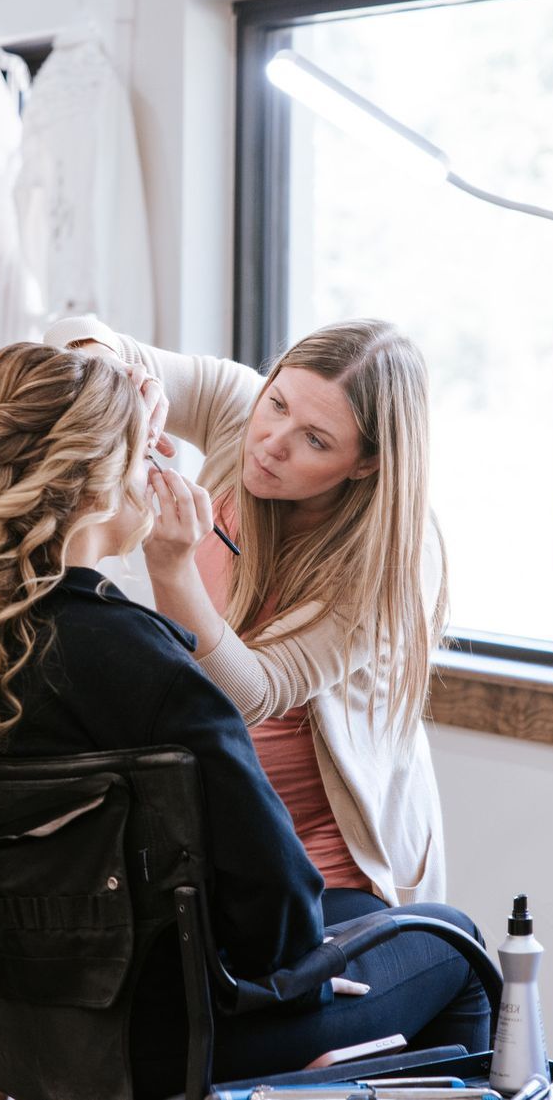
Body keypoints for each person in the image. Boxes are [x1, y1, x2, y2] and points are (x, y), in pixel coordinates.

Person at [0, 342, 486, 1096]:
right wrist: (309, 969)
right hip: (166, 1041)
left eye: (314, 437)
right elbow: (281, 917)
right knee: (461, 950)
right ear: (102, 490)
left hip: (9, 1023)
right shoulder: (146, 666)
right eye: (145, 454)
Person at [46, 315, 449, 917]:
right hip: (204, 835)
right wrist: (120, 377)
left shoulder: (393, 559)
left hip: (327, 865)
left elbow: (252, 694)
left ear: (366, 464)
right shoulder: (241, 412)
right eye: (277, 403)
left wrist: (173, 568)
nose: (272, 442)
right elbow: (73, 331)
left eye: (316, 440)